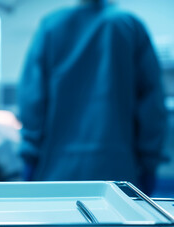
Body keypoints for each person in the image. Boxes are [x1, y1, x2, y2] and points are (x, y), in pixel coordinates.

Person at [18, 0, 167, 195]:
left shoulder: (52, 26)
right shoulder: (128, 25)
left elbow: (32, 100)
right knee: (120, 225)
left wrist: (30, 156)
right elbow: (152, 104)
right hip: (119, 173)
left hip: (56, 171)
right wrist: (149, 162)